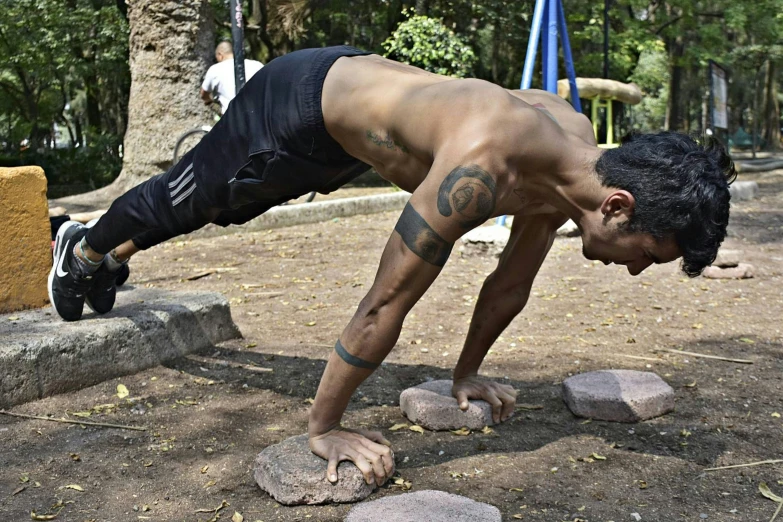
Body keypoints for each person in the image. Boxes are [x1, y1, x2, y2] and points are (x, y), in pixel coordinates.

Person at [48, 46, 734, 488]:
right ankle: (82, 248)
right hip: (296, 104)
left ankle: (109, 257)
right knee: (191, 201)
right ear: (617, 207)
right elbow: (384, 304)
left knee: (225, 211)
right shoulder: (481, 167)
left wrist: (465, 374)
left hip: (353, 126)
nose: (638, 272)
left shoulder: (573, 163)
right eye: (648, 255)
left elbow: (510, 282)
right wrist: (323, 429)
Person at [200, 41, 264, 114]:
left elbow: (204, 93)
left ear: (220, 55)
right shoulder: (257, 65)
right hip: (259, 116)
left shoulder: (215, 69)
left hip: (233, 119)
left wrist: (209, 102)